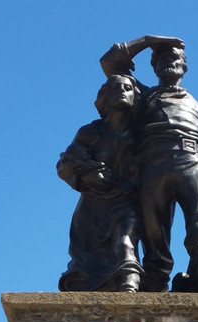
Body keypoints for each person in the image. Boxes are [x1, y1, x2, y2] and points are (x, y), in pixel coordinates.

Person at [100, 35, 198, 292]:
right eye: (160, 58)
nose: (168, 62)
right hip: (153, 167)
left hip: (193, 165)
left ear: (184, 66)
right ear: (154, 67)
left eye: (174, 57)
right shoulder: (143, 96)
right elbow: (110, 64)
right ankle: (154, 288)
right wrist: (150, 40)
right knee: (154, 237)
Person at [57, 74, 143, 292]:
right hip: (92, 205)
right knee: (85, 261)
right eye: (115, 88)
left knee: (125, 239)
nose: (122, 91)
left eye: (127, 88)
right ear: (105, 97)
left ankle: (130, 283)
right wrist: (85, 177)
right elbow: (64, 165)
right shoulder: (90, 132)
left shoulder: (143, 134)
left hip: (126, 202)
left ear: (135, 96)